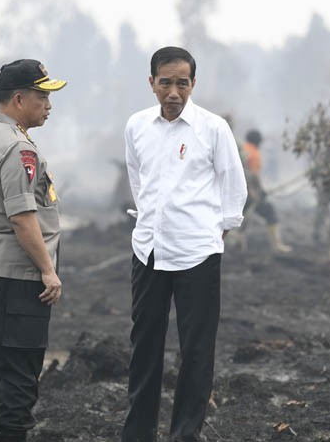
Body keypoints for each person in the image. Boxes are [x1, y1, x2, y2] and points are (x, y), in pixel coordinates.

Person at [122, 46, 248, 442]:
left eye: (182, 83)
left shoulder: (213, 129)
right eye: (165, 83)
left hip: (198, 253)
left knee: (196, 349)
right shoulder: (137, 126)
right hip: (148, 250)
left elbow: (233, 187)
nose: (173, 92)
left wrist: (214, 231)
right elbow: (138, 180)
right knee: (145, 345)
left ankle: (184, 434)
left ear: (193, 84)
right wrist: (152, 222)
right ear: (151, 83)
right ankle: (138, 433)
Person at [0, 59, 66, 442]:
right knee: (21, 376)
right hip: (18, 277)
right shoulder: (17, 147)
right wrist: (48, 270)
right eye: (43, 96)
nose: (49, 105)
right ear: (19, 99)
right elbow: (23, 217)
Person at [239, 128, 291, 252]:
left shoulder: (242, 149)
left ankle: (239, 239)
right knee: (269, 211)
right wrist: (260, 191)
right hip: (248, 193)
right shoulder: (254, 154)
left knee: (242, 216)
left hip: (237, 192)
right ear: (258, 141)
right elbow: (254, 175)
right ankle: (277, 244)